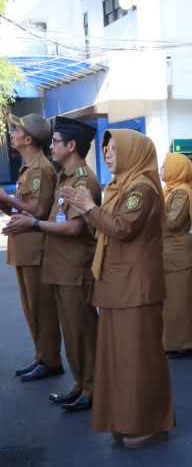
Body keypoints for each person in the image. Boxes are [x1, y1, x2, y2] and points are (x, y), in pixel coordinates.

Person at [63, 129, 175, 450]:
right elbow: (105, 227)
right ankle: (124, 419)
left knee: (139, 358)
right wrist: (86, 209)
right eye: (106, 149)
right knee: (118, 359)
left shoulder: (142, 188)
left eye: (114, 148)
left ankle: (150, 423)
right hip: (117, 284)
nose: (108, 154)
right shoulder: (119, 186)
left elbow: (122, 228)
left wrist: (89, 208)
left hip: (135, 286)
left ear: (132, 152)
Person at [4, 117, 101, 412]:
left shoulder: (82, 180)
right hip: (60, 265)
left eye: (57, 141)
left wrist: (34, 224)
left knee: (82, 331)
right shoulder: (65, 177)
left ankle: (94, 389)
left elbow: (74, 227)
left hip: (74, 266)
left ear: (71, 145)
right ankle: (81, 385)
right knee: (71, 332)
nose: (52, 146)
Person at [0, 113, 63, 381]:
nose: (12, 134)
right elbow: (20, 209)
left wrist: (8, 199)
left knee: (42, 309)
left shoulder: (40, 169)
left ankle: (50, 360)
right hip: (25, 247)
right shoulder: (28, 168)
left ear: (28, 139)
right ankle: (42, 357)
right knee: (31, 309)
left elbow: (38, 211)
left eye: (16, 131)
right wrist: (5, 202)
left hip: (36, 248)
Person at [160, 152, 192, 358]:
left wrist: (148, 213)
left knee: (182, 302)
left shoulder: (182, 192)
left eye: (165, 165)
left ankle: (184, 344)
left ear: (176, 169)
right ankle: (177, 342)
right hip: (170, 251)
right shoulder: (169, 190)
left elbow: (172, 222)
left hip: (178, 251)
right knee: (175, 301)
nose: (161, 169)